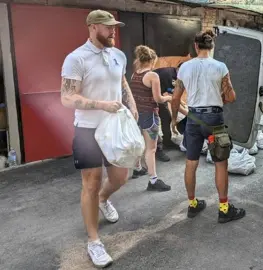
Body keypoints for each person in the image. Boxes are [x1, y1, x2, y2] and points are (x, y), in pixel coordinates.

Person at [60, 10, 137, 268]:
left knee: (120, 177)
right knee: (91, 183)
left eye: (114, 26)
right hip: (87, 130)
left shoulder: (118, 55)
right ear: (92, 27)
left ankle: (104, 200)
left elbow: (122, 80)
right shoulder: (76, 58)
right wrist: (101, 104)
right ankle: (94, 241)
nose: (113, 31)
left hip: (114, 128)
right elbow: (67, 97)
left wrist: (132, 102)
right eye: (108, 27)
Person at [170, 29, 246, 223]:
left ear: (196, 46)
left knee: (191, 162)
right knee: (220, 164)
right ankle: (223, 208)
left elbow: (176, 97)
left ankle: (193, 205)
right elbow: (230, 96)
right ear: (212, 46)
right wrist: (219, 97)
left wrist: (173, 120)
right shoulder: (220, 67)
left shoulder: (185, 67)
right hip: (214, 120)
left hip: (194, 119)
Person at [129, 45, 172, 191]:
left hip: (136, 115)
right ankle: (153, 181)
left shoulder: (134, 74)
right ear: (152, 60)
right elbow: (158, 98)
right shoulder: (152, 76)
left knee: (139, 144)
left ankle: (137, 168)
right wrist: (169, 98)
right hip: (149, 115)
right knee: (151, 149)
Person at [152, 63, 184, 155]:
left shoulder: (175, 75)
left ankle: (167, 141)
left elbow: (172, 92)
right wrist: (185, 112)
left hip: (158, 95)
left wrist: (181, 102)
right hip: (149, 97)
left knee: (166, 117)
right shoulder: (168, 74)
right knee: (153, 123)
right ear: (178, 68)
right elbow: (172, 97)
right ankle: (157, 149)